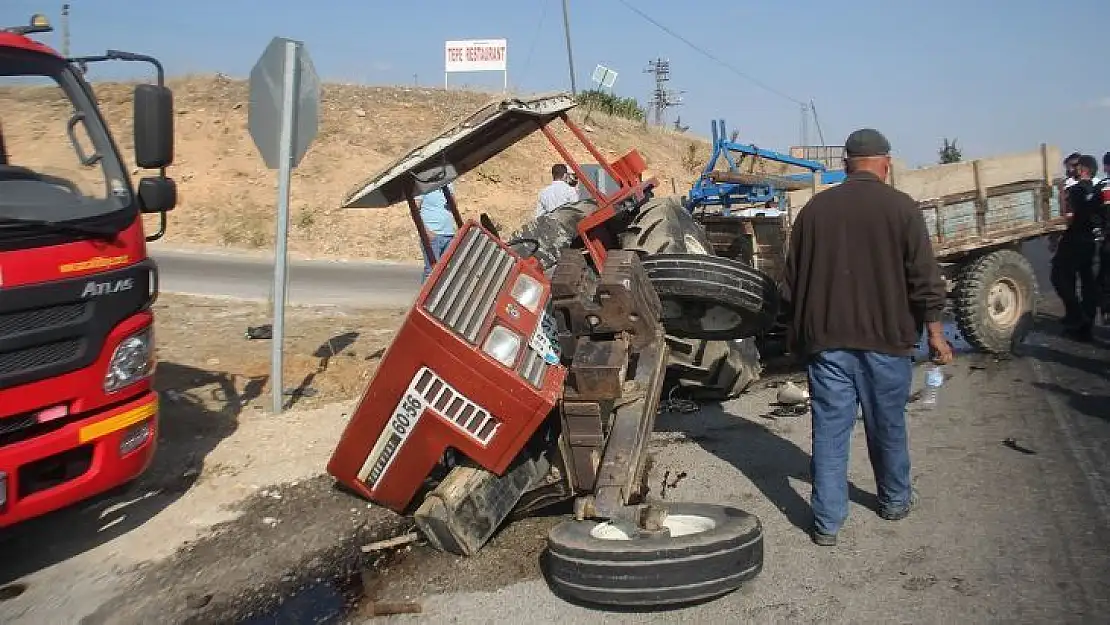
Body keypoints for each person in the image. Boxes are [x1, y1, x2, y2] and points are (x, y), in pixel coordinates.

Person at [781, 128, 953, 547]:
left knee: (830, 430)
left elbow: (790, 285)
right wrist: (936, 335)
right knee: (888, 425)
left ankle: (826, 523)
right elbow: (925, 280)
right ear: (886, 163)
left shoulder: (815, 211)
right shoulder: (902, 209)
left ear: (845, 164)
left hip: (828, 343)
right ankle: (894, 501)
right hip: (887, 341)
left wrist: (796, 336)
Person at [1051, 154, 1103, 340]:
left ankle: (1077, 316)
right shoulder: (1098, 187)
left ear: (1083, 169)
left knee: (1059, 275)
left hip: (1075, 238)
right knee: (1087, 281)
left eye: (1075, 167)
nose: (1072, 170)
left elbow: (1069, 217)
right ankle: (1084, 324)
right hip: (1091, 240)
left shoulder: (1074, 190)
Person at [415, 183, 457, 282]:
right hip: (432, 235)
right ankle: (426, 297)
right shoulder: (423, 185)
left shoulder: (448, 184)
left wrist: (452, 199)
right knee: (431, 271)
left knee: (446, 271)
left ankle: (440, 296)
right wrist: (426, 232)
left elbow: (453, 206)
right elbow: (415, 210)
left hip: (449, 234)